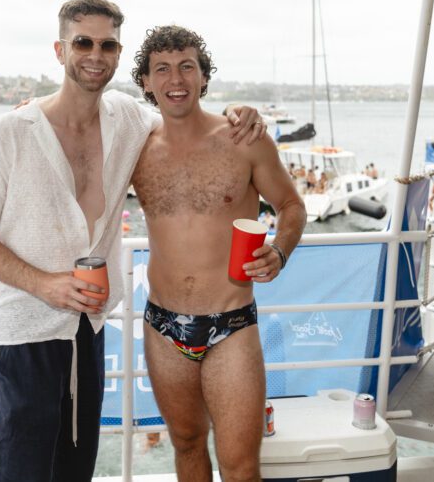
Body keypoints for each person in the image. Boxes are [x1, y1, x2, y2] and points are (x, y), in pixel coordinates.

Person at [0, 0, 267, 482]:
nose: (94, 54)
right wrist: (45, 285)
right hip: (23, 332)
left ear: (120, 55)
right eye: (82, 42)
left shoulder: (127, 120)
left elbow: (184, 113)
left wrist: (237, 111)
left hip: (87, 329)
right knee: (21, 469)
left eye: (107, 44)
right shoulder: (7, 134)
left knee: (75, 467)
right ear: (60, 50)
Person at [130, 25, 306, 482]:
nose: (176, 78)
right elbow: (79, 126)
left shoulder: (243, 138)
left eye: (187, 66)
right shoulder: (134, 149)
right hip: (163, 326)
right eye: (162, 69)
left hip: (231, 325)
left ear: (204, 77)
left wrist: (280, 251)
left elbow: (291, 206)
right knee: (187, 446)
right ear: (146, 82)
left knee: (241, 466)